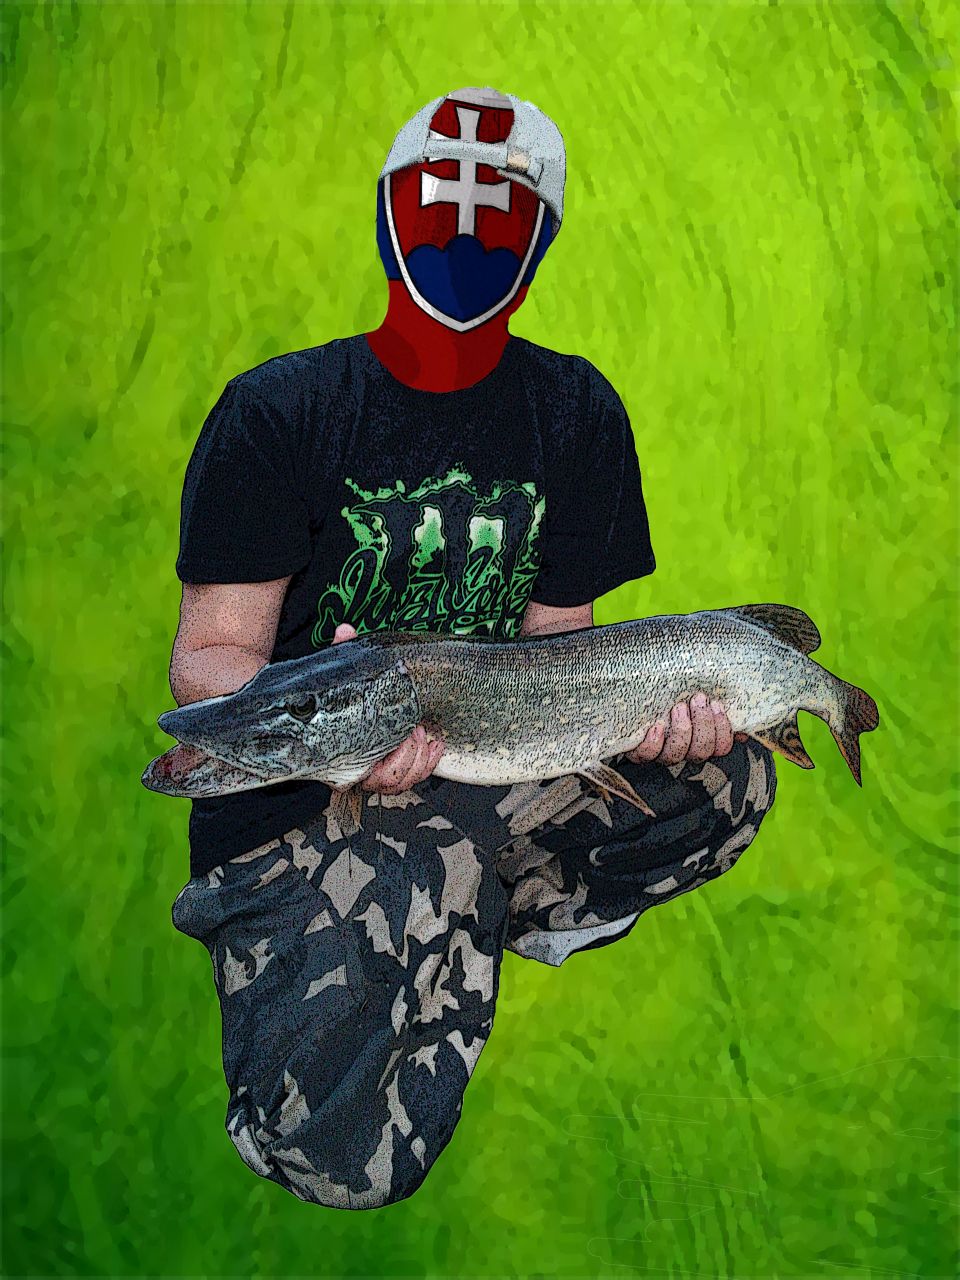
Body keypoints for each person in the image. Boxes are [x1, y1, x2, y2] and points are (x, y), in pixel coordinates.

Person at [167, 87, 777, 1210]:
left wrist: (643, 727)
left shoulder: (577, 410)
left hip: (480, 758)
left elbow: (560, 656)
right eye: (435, 198)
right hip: (308, 802)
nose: (459, 228)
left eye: (495, 211)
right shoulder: (277, 411)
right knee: (337, 1158)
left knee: (729, 773)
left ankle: (471, 901)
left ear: (537, 244)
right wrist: (336, 717)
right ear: (388, 213)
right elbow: (207, 659)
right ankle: (417, 905)